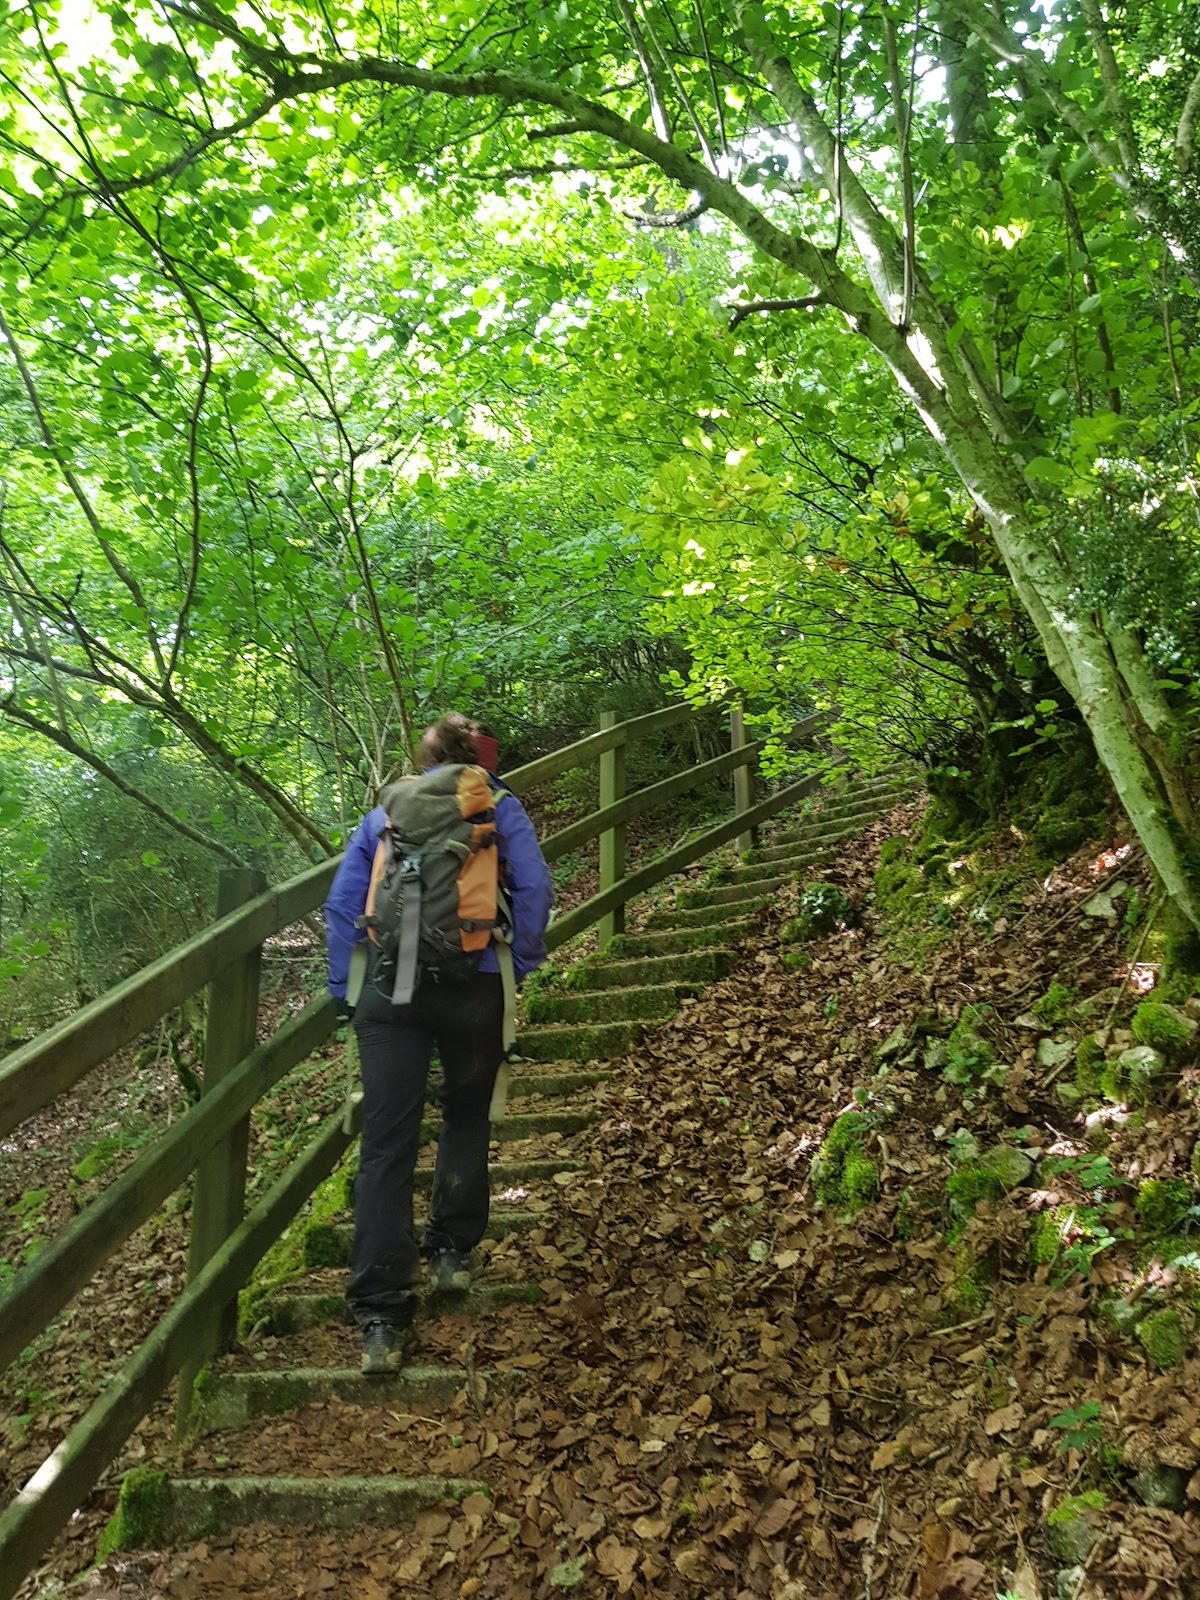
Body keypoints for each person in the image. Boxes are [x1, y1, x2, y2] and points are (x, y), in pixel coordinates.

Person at [323, 715, 554, 1373]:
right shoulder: (497, 805)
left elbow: (342, 906)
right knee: (463, 1116)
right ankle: (451, 1254)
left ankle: (380, 1318)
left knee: (386, 1145)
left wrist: (349, 985)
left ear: (422, 759)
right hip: (474, 984)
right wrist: (520, 961)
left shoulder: (387, 811)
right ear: (480, 761)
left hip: (388, 995)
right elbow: (535, 888)